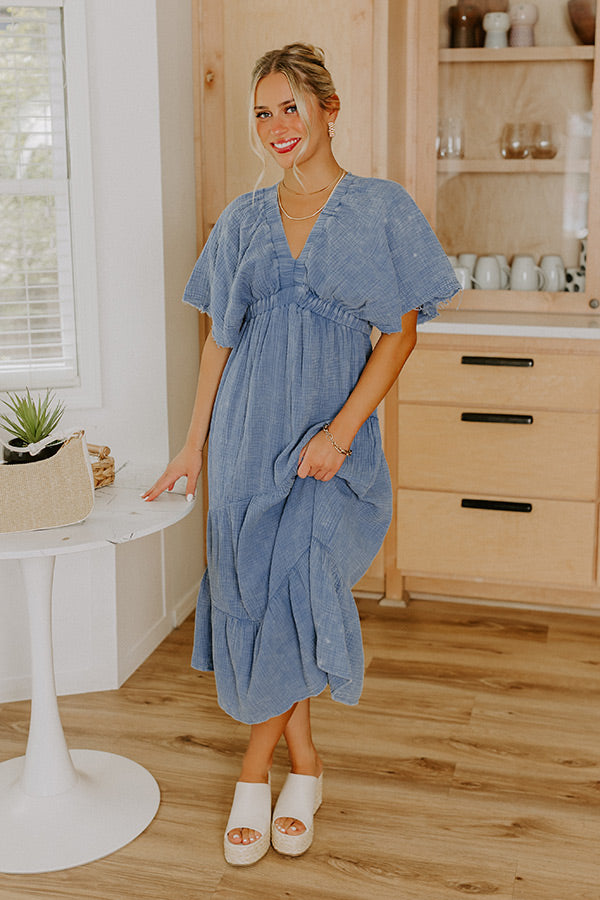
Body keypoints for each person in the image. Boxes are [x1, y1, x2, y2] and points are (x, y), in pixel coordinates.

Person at [143, 42, 459, 866]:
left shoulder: (381, 208)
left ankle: (254, 773)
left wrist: (340, 433)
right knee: (262, 595)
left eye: (291, 107)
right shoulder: (243, 220)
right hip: (245, 439)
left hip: (328, 446)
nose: (277, 125)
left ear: (328, 109)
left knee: (299, 584)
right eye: (263, 112)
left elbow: (400, 335)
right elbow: (219, 341)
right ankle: (307, 763)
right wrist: (192, 447)